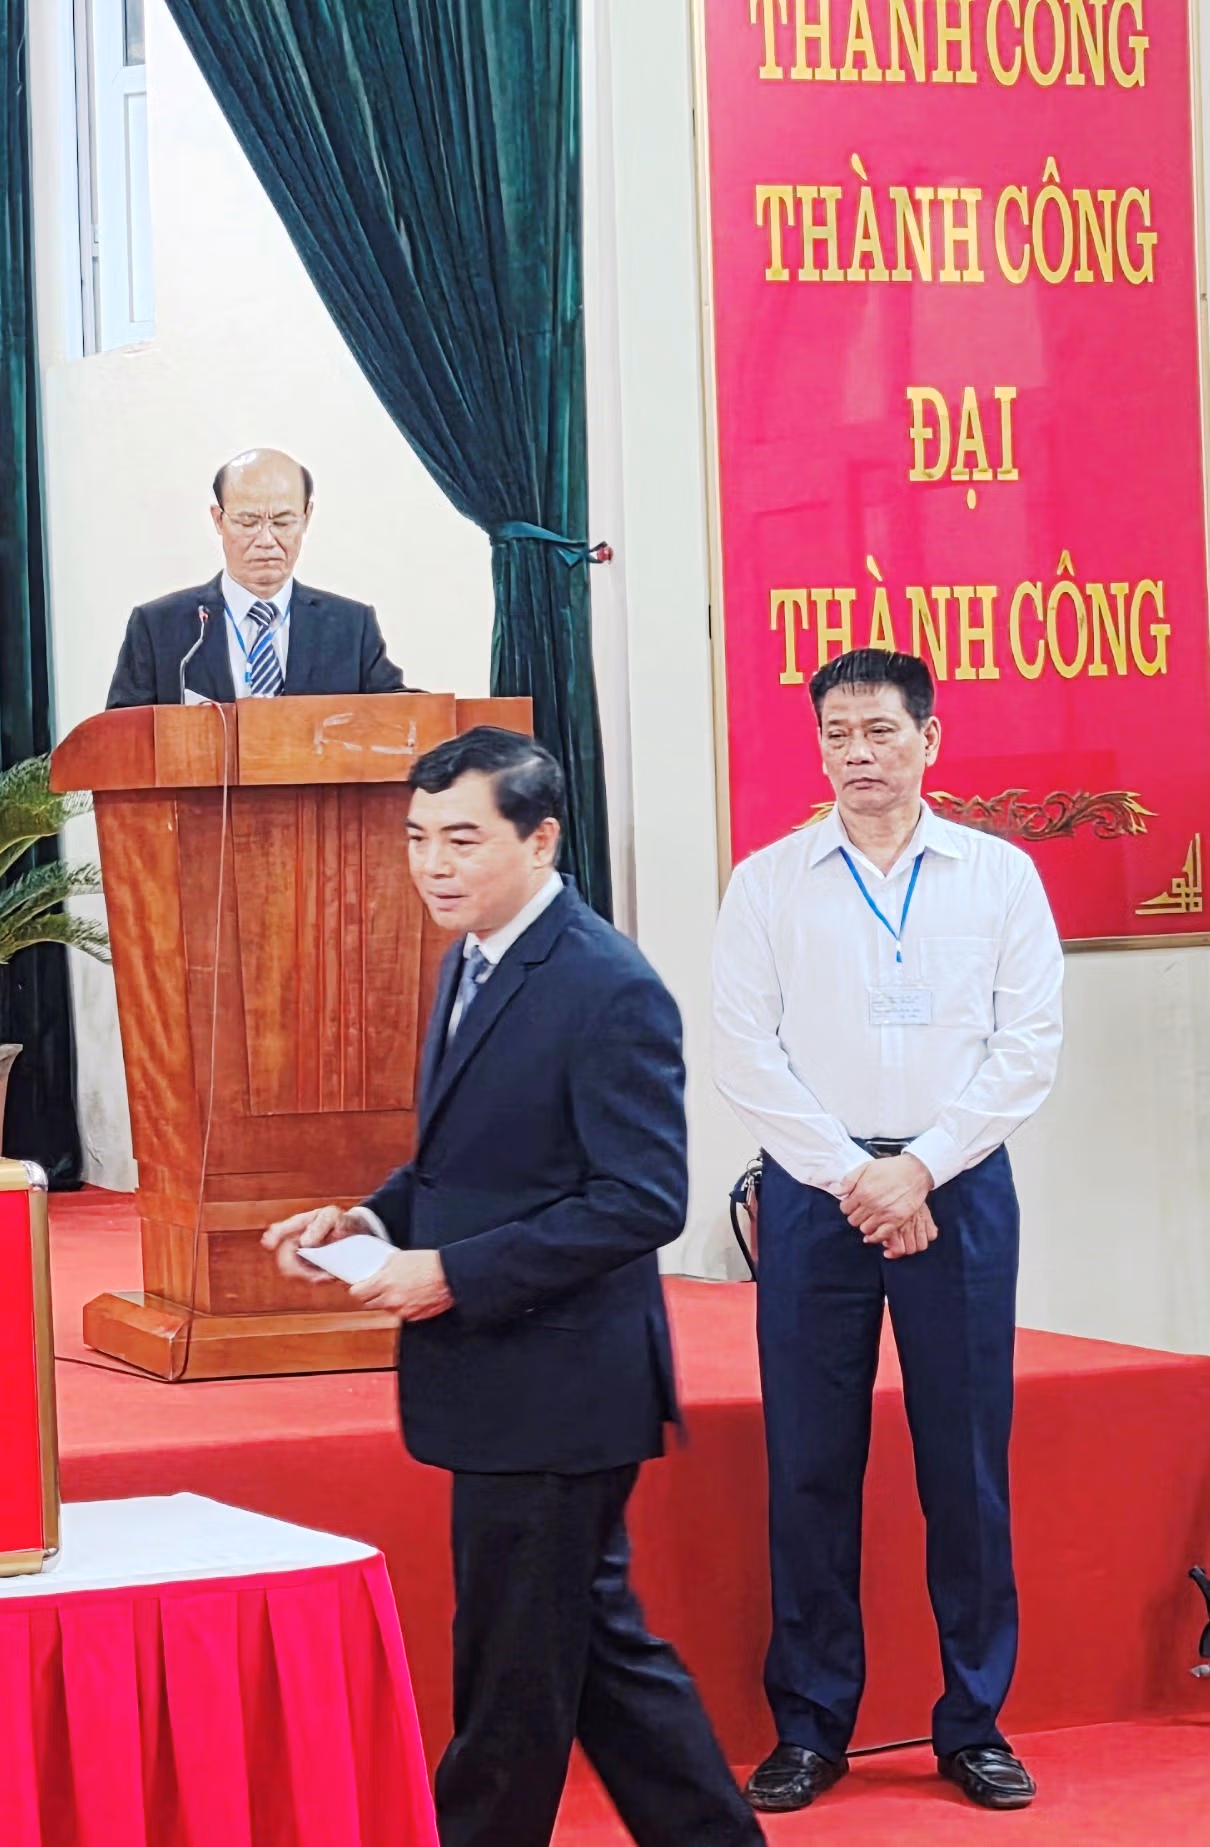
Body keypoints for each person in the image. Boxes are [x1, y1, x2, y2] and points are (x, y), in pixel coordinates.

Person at [264, 728, 761, 1847]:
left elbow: (641, 1199)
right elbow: (471, 1164)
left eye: (462, 839)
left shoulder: (605, 985)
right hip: (506, 1383)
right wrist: (370, 1220)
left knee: (510, 1685)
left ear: (540, 840)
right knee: (594, 1655)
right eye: (417, 838)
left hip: (561, 1387)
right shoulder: (473, 957)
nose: (432, 865)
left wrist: (452, 1271)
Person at [711, 649, 1062, 1815]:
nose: (858, 753)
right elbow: (745, 1051)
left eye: (880, 731)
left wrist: (919, 1167)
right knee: (811, 1461)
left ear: (930, 739)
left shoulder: (999, 876)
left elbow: (1027, 1046)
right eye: (838, 734)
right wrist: (855, 1176)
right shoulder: (768, 883)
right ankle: (811, 1724)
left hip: (955, 1187)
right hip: (818, 1196)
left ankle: (974, 1720)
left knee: (966, 1464)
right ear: (818, 746)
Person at [104, 447, 408, 707]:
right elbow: (119, 741)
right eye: (248, 522)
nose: (266, 540)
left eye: (283, 522)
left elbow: (402, 722)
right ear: (219, 519)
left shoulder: (351, 628)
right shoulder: (158, 628)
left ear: (306, 518)